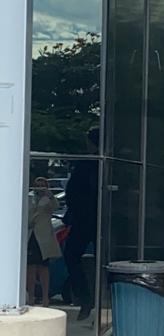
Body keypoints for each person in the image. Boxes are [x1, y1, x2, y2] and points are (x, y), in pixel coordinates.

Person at [63, 127, 99, 321]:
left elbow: (73, 192)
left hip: (85, 219)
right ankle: (88, 298)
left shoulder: (87, 163)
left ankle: (86, 299)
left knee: (71, 255)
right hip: (92, 218)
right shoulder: (92, 163)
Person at [26, 177, 62, 307]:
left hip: (44, 236)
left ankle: (46, 297)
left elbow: (56, 206)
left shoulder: (48, 199)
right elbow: (27, 215)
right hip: (31, 235)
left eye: (43, 186)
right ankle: (31, 296)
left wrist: (50, 196)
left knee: (43, 268)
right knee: (30, 268)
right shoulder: (29, 197)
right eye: (38, 185)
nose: (40, 188)